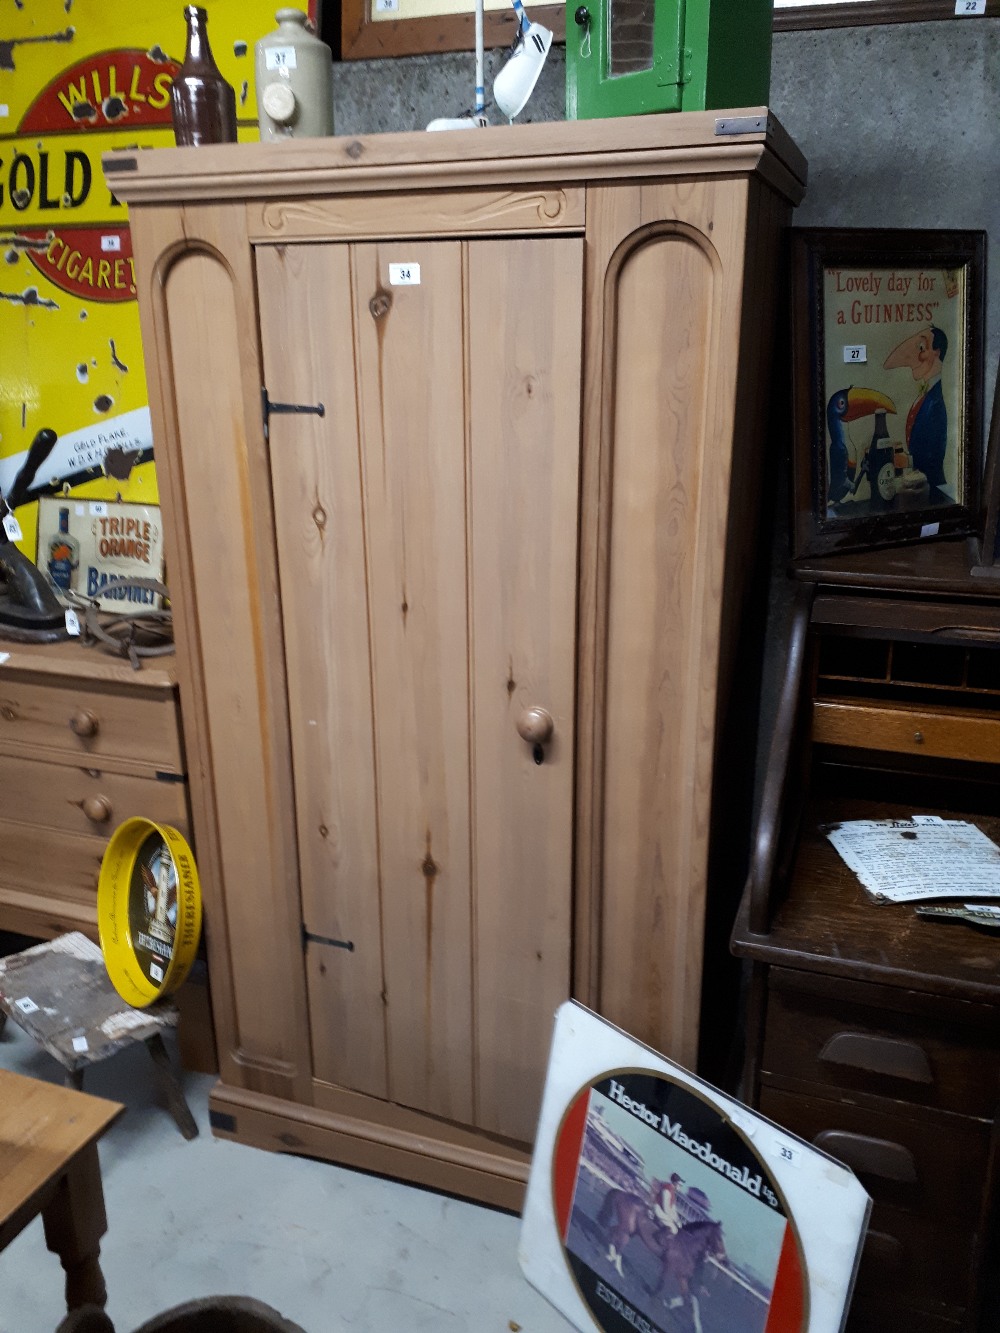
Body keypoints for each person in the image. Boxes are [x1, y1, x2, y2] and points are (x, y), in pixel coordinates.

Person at [883, 325, 949, 487]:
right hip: (923, 482)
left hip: (933, 486)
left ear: (937, 352)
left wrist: (908, 460)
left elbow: (935, 454)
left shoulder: (936, 401)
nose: (917, 356)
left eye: (922, 348)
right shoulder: (926, 393)